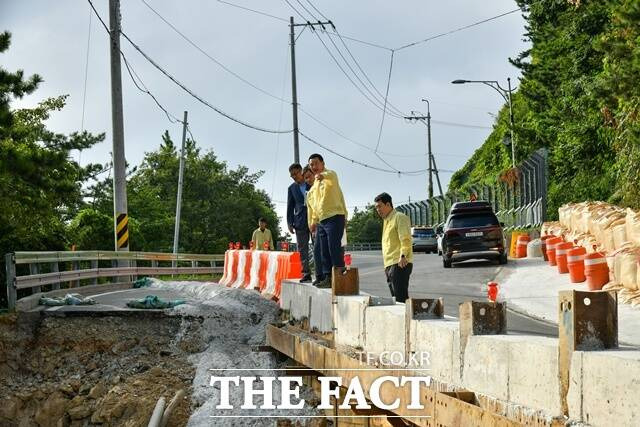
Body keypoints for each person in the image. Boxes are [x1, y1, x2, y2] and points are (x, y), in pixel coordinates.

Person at [308, 153, 348, 288]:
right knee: (323, 250)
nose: (314, 167)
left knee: (334, 248)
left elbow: (331, 176)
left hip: (335, 216)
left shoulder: (330, 175)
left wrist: (323, 176)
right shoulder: (314, 186)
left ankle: (340, 276)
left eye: (316, 163)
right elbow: (314, 206)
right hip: (322, 221)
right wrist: (313, 221)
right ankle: (328, 277)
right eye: (311, 165)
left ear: (323, 164)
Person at [374, 192, 413, 303]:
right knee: (396, 299)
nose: (378, 210)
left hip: (400, 262)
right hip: (389, 265)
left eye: (379, 206)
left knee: (401, 298)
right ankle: (403, 319)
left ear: (388, 204)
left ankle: (406, 319)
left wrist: (403, 255)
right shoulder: (386, 221)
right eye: (376, 208)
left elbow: (405, 238)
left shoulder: (399, 217)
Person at [287, 163, 312, 283]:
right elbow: (290, 206)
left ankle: (321, 273)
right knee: (302, 248)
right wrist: (289, 222)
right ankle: (306, 273)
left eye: (295, 174)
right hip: (299, 221)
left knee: (318, 245)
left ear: (301, 171)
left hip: (314, 219)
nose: (294, 177)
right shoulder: (291, 188)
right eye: (291, 175)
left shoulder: (311, 182)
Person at [303, 165, 325, 286]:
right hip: (314, 225)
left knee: (325, 251)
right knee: (317, 251)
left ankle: (326, 276)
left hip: (323, 221)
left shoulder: (322, 185)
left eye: (309, 176)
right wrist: (311, 224)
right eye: (305, 178)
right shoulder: (309, 192)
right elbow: (310, 210)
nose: (307, 180)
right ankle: (319, 275)